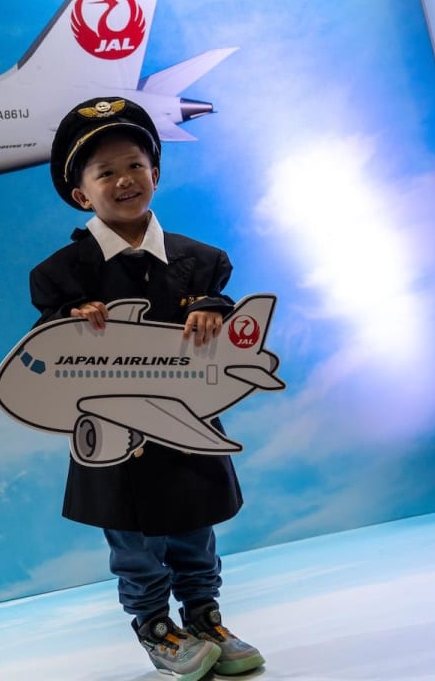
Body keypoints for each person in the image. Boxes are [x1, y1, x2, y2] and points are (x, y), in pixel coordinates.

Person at [29, 97, 264, 680]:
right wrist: (67, 319)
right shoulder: (61, 275)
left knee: (194, 528)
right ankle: (157, 628)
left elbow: (227, 324)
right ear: (81, 194)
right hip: (115, 438)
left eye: (134, 164)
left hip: (186, 424)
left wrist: (213, 309)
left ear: (155, 172)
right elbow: (45, 348)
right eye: (104, 172)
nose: (123, 180)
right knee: (133, 541)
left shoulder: (201, 261)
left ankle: (205, 616)